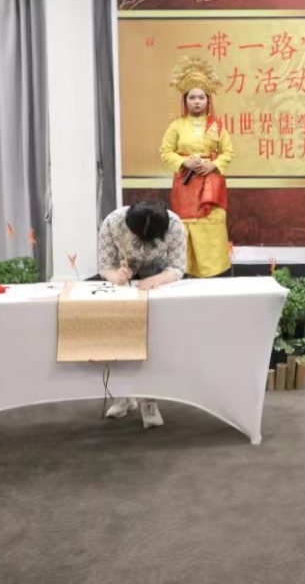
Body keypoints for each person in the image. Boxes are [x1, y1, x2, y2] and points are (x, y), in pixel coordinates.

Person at [97, 200, 187, 428]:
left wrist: (157, 279)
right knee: (121, 338)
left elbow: (177, 267)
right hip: (124, 284)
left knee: (152, 341)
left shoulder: (175, 224)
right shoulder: (113, 223)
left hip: (159, 281)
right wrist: (116, 275)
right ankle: (124, 396)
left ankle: (150, 400)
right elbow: (105, 265)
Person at [160, 57, 234, 278]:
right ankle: (186, 273)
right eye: (192, 97)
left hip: (211, 186)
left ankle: (212, 274)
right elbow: (165, 152)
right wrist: (185, 162)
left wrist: (213, 165)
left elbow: (228, 152)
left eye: (201, 97)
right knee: (185, 227)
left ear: (208, 100)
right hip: (186, 186)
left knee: (211, 227)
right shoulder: (176, 126)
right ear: (185, 100)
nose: (197, 102)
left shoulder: (216, 125)